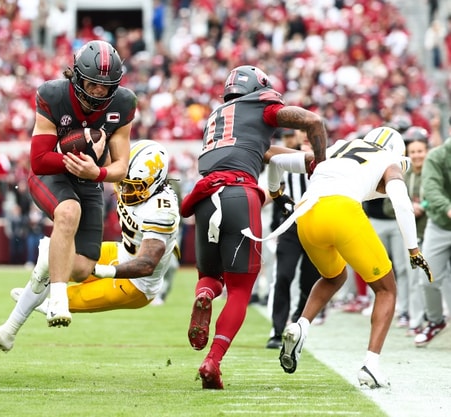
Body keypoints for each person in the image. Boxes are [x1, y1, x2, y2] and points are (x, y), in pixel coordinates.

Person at [178, 65, 327, 389]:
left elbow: (265, 152)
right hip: (238, 195)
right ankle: (213, 360)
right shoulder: (261, 105)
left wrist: (306, 160)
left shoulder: (219, 117)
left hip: (205, 197)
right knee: (241, 289)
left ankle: (204, 295)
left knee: (209, 276)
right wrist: (322, 161)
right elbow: (313, 122)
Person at [0, 140, 179, 351]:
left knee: (64, 299)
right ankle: (8, 332)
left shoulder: (162, 211)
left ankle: (32, 309)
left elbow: (147, 264)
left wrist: (102, 271)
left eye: (136, 186)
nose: (127, 189)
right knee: (51, 256)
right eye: (125, 182)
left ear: (156, 182)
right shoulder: (125, 172)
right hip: (121, 251)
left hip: (136, 285)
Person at [271, 126, 432, 389]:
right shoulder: (388, 159)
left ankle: (301, 325)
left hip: (306, 214)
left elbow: (276, 159)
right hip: (342, 210)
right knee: (386, 290)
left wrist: (275, 191)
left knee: (333, 277)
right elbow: (401, 203)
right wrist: (413, 249)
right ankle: (371, 365)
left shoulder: (336, 148)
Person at [26, 39, 136, 328]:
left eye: (106, 86)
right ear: (77, 77)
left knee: (82, 268)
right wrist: (74, 158)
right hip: (51, 174)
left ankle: (49, 254)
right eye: (93, 84)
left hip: (90, 180)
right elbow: (38, 160)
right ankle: (58, 301)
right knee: (68, 211)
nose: (99, 91)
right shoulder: (53, 94)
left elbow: (121, 167)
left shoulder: (124, 103)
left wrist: (96, 173)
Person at [266, 129, 321, 349]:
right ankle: (277, 330)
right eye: (304, 134)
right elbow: (274, 187)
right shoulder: (289, 159)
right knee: (283, 276)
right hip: (291, 226)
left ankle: (298, 324)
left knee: (310, 281)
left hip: (317, 227)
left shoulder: (329, 160)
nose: (307, 137)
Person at [414, 123, 451, 347]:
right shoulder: (437, 156)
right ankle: (435, 321)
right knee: (428, 279)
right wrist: (448, 207)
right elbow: (431, 188)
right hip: (440, 225)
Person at [401, 127, 429, 336]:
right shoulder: (402, 175)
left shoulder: (435, 171)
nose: (417, 155)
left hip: (434, 231)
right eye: (413, 152)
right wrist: (409, 207)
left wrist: (424, 206)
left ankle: (437, 316)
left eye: (420, 151)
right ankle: (416, 321)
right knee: (415, 280)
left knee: (439, 278)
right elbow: (388, 206)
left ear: (427, 151)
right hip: (412, 236)